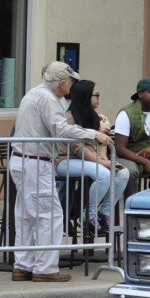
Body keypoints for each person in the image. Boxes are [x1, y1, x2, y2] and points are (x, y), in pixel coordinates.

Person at [10, 61, 111, 282]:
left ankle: (23, 266)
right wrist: (93, 134)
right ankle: (45, 268)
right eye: (70, 80)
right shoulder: (48, 99)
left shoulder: (34, 94)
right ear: (62, 83)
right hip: (35, 162)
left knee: (27, 215)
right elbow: (61, 128)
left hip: (23, 160)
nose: (72, 84)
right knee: (50, 215)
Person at [55, 79, 129, 236]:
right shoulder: (70, 117)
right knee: (104, 174)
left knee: (123, 173)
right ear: (86, 96)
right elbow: (77, 148)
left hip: (90, 160)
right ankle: (88, 215)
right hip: (66, 161)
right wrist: (102, 163)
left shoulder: (94, 116)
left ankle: (105, 213)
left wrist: (103, 157)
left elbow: (102, 141)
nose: (99, 98)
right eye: (97, 95)